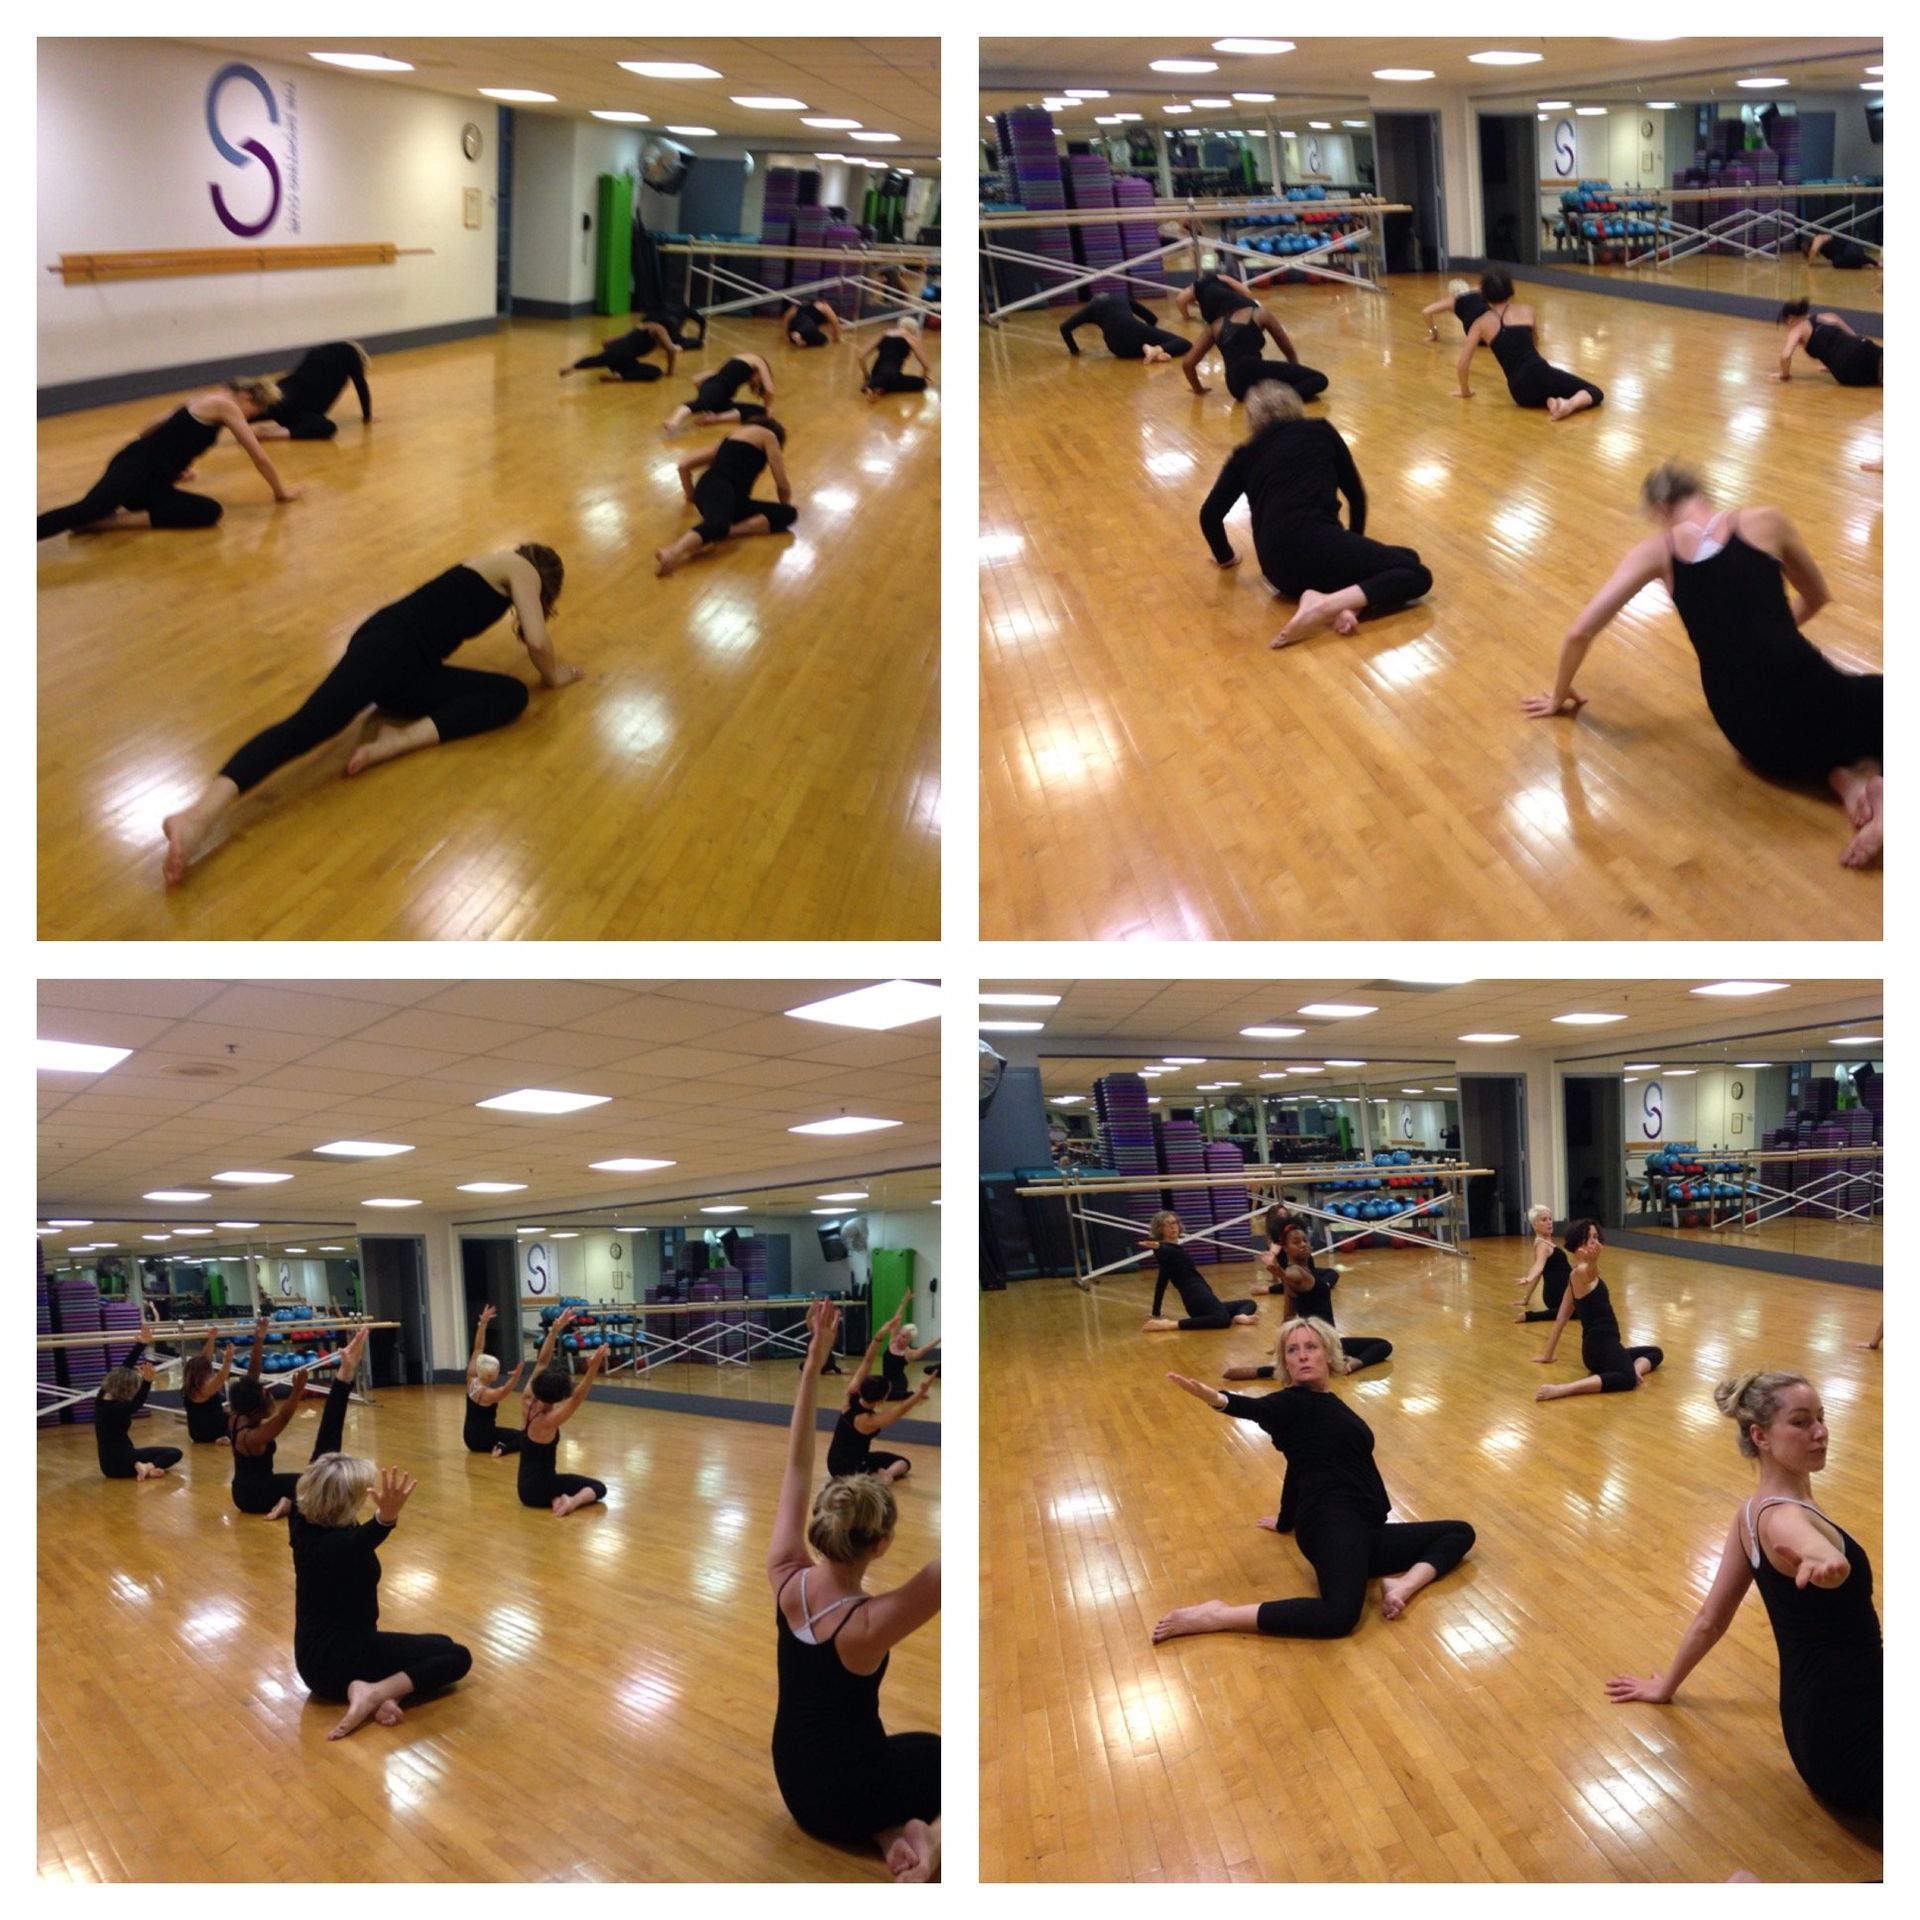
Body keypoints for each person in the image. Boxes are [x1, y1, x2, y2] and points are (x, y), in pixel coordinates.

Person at [1521, 459, 1882, 867]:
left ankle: (1853, 782)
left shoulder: (1656, 552)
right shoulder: (1767, 520)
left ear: (1659, 511)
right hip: (1809, 688)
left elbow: (1578, 633)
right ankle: (1867, 781)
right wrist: (1770, 631)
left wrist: (1557, 694)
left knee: (1824, 737)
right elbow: (1817, 595)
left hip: (1752, 737)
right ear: (1704, 494)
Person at [161, 545, 581, 885]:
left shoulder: (501, 572)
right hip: (390, 646)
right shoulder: (519, 567)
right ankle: (196, 818)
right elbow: (539, 645)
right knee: (308, 727)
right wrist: (555, 676)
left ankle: (397, 741)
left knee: (509, 694)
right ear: (545, 583)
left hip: (407, 668)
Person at [1605, 1370, 1881, 1823]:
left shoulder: (1749, 1514)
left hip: (1818, 1724)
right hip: (1855, 1737)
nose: (1820, 1432)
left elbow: (1711, 1619)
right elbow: (1813, 1550)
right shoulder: (1783, 1520)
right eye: (1801, 1422)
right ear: (1760, 1436)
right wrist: (1828, 1565)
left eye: (1821, 1417)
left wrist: (1665, 1685)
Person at [1152, 1317, 1475, 1642]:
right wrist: (1219, 1400)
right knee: (1340, 1615)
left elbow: (1298, 1465)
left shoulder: (1330, 1404)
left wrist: (1284, 1520)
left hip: (1365, 1527)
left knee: (1459, 1532)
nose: (1302, 1355)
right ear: (1285, 1363)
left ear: (1328, 1355)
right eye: (1292, 1350)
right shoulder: (1289, 1403)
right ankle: (1218, 1615)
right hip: (1329, 1523)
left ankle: (1401, 1585)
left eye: (1310, 1347)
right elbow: (1254, 1408)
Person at [768, 1299, 941, 1881]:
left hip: (794, 1785)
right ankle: (929, 1851)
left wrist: (812, 1366)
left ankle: (890, 1832)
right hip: (847, 1793)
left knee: (890, 1752)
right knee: (950, 1755)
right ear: (883, 1544)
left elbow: (795, 1470)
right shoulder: (867, 1626)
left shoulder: (785, 1576)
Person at [1199, 380, 1433, 648]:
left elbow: (1209, 515)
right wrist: (1350, 543)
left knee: (1406, 555)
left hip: (1278, 572)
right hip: (1319, 540)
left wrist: (1226, 558)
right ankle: (1325, 604)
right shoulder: (1320, 430)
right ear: (1295, 406)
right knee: (1416, 573)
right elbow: (1356, 496)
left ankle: (1343, 604)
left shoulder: (1244, 455)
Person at [290, 1448, 472, 1740]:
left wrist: (338, 1399)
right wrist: (385, 1517)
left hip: (317, 1656)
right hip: (338, 1659)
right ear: (345, 1500)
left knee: (440, 1643)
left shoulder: (302, 1524)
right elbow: (364, 1539)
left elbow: (358, 1538)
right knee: (456, 1655)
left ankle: (380, 1690)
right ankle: (375, 1692)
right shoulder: (337, 1546)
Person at [37, 379, 302, 539]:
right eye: (255, 411)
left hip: (150, 479)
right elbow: (259, 457)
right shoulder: (226, 405)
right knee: (88, 508)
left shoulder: (199, 399)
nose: (250, 417)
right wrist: (281, 492)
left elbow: (147, 430)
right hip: (135, 466)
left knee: (208, 511)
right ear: (246, 397)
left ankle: (103, 523)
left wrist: (175, 467)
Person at [229, 1325, 364, 1518]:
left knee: (309, 1482)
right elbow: (282, 1419)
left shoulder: (238, 1414)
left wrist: (259, 1340)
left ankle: (288, 1503)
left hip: (246, 1488)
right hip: (253, 1496)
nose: (271, 1397)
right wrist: (297, 1391)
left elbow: (251, 1376)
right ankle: (288, 1505)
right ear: (256, 1407)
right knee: (313, 1484)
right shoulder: (250, 1437)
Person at [1233, 1221, 1391, 1372]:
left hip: (1317, 1343)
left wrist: (1282, 1348)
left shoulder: (1302, 1272)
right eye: (1296, 1242)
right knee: (1383, 1345)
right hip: (1326, 1342)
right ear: (1285, 1248)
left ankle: (1272, 1370)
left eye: (1304, 1240)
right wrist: (1278, 1271)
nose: (1303, 1244)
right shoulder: (1295, 1271)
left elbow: (1288, 1316)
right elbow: (1293, 1277)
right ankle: (1352, 1364)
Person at [1530, 1222, 1663, 1399]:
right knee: (1627, 1380)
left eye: (1595, 1237)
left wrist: (1547, 1355)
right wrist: (1593, 1261)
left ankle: (1634, 1369)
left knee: (1655, 1352)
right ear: (1578, 1245)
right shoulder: (1579, 1274)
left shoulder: (1574, 1276)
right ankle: (1563, 1389)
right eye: (1589, 1238)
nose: (1595, 1241)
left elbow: (1561, 1318)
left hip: (1607, 1346)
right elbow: (1590, 1272)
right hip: (1599, 1348)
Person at [655, 420, 797, 576]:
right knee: (786, 513)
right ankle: (672, 552)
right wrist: (784, 505)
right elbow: (782, 485)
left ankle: (724, 531)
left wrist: (692, 497)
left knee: (788, 513)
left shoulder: (731, 436)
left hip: (715, 492)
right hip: (720, 487)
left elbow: (684, 466)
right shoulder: (769, 436)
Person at [1455, 271, 1604, 419]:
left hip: (1520, 393)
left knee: (1545, 390)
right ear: (1510, 290)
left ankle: (1552, 402)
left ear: (1485, 295)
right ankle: (1569, 405)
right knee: (1594, 391)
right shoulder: (1527, 311)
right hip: (1540, 371)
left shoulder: (1480, 323)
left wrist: (1465, 391)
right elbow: (1535, 343)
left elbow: (1462, 364)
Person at [517, 1310, 609, 1514]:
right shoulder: (548, 1420)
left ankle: (556, 1498)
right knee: (599, 1488)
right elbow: (577, 1398)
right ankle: (570, 1502)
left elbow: (541, 1362)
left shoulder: (527, 1403)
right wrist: (592, 1368)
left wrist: (554, 1331)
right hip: (540, 1487)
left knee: (559, 1483)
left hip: (524, 1488)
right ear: (559, 1397)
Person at [1182, 303, 1328, 402]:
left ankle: (1271, 398)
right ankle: (1278, 401)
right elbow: (1287, 348)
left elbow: (1188, 363)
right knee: (1318, 379)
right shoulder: (1260, 314)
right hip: (1254, 368)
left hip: (1236, 387)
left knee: (1268, 378)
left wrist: (1198, 390)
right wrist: (1296, 370)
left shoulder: (1214, 326)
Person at [1141, 1210, 1259, 1333]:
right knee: (1222, 1320)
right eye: (1167, 1224)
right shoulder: (1165, 1251)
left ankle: (1239, 1316)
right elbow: (1166, 1250)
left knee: (1249, 1303)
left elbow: (1161, 1282)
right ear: (1160, 1229)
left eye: (1174, 1223)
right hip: (1195, 1295)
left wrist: (1156, 1312)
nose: (1172, 1226)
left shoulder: (1173, 1252)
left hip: (1202, 1294)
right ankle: (1172, 1324)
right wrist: (1158, 1246)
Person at [828, 1356, 937, 1484]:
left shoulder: (850, 1399)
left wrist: (877, 1339)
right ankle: (881, 1476)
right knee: (903, 1463)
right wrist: (919, 1393)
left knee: (900, 1462)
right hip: (850, 1468)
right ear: (881, 1401)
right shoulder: (868, 1421)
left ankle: (879, 1474)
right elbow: (901, 1409)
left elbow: (867, 1361)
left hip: (833, 1464)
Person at [93, 1334, 184, 1480]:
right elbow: (137, 1402)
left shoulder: (101, 1399)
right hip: (126, 1460)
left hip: (108, 1467)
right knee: (174, 1452)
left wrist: (141, 1345)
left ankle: (144, 1468)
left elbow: (124, 1369)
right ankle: (147, 1467)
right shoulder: (118, 1409)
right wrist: (147, 1382)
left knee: (169, 1453)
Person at [254, 342, 373, 437]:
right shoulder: (350, 353)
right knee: (328, 428)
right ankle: (274, 433)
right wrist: (367, 416)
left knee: (269, 410)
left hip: (280, 393)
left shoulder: (318, 351)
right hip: (295, 407)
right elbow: (361, 385)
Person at [1058, 291, 1190, 363]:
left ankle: (1153, 352)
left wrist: (1074, 350)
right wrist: (1151, 333)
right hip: (1135, 329)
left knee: (1137, 348)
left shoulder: (1090, 308)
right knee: (1184, 343)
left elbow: (1064, 328)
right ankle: (1155, 350)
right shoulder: (1120, 297)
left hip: (1118, 349)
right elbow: (1151, 317)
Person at [464, 1303, 525, 1457]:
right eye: (498, 1370)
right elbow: (504, 1390)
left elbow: (478, 1348)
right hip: (483, 1439)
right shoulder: (488, 1394)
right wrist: (516, 1377)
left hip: (468, 1437)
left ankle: (500, 1445)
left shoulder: (471, 1378)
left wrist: (483, 1323)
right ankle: (502, 1449)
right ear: (491, 1376)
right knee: (523, 1437)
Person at [662, 353, 775, 435]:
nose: (755, 382)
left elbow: (696, 379)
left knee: (758, 411)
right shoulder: (758, 360)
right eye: (759, 380)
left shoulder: (734, 363)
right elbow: (769, 389)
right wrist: (768, 407)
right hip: (718, 387)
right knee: (701, 403)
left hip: (719, 393)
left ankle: (714, 418)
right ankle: (674, 420)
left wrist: (707, 394)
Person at [1776, 301, 1882, 387]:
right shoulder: (1824, 317)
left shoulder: (1797, 330)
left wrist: (1784, 375)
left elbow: (1785, 356)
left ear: (1790, 318)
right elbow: (1851, 335)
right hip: (1861, 348)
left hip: (1844, 370)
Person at [559, 321, 678, 384]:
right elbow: (671, 349)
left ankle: (617, 374)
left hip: (618, 352)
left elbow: (624, 337)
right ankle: (621, 376)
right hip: (622, 354)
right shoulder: (659, 329)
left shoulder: (644, 326)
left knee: (601, 359)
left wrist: (609, 342)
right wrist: (670, 371)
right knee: (655, 372)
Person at [1513, 1206, 1573, 1323]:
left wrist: (1526, 1298)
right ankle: (1531, 1316)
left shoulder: (1545, 1243)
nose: (1549, 1222)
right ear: (1535, 1225)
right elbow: (1538, 1266)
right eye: (1544, 1220)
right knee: (1579, 1311)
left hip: (1561, 1292)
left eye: (1550, 1219)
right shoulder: (1542, 1245)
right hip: (1558, 1294)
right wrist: (1528, 1278)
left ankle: (1532, 1315)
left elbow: (1538, 1271)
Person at [181, 1325, 237, 1443]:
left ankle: (225, 1435)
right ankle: (225, 1437)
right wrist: (227, 1360)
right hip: (210, 1431)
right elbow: (221, 1378)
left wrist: (211, 1339)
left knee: (229, 1415)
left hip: (196, 1433)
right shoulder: (205, 1388)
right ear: (203, 1372)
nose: (211, 1371)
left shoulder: (190, 1385)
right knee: (238, 1417)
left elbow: (205, 1358)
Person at [859, 317, 932, 397]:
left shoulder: (884, 334)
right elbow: (926, 366)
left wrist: (866, 376)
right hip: (893, 374)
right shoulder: (910, 338)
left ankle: (875, 386)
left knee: (886, 379)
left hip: (876, 373)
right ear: (913, 330)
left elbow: (861, 356)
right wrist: (924, 379)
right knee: (924, 382)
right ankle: (877, 386)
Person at [1421, 277, 1488, 342]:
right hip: (1492, 330)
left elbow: (1426, 312)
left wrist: (1434, 333)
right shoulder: (1478, 292)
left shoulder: (1451, 301)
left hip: (1475, 336)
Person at [1806, 232, 1878, 273]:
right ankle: (1863, 265)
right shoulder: (1823, 251)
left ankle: (1876, 263)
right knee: (1836, 263)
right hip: (1845, 255)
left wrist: (1809, 264)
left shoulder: (1818, 238)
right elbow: (1831, 260)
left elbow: (1813, 250)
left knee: (1851, 254)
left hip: (1851, 247)